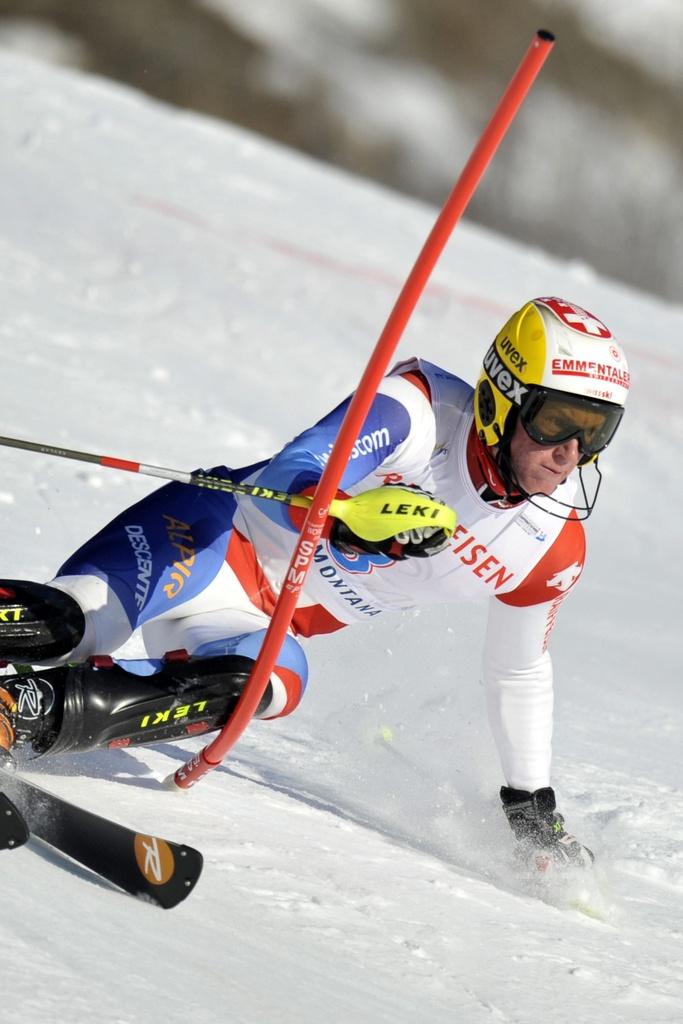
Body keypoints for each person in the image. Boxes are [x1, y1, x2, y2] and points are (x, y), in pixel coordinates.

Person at [0, 296, 629, 869]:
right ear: (501, 399)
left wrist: (528, 805)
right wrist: (342, 522)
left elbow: (518, 670)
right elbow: (298, 466)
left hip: (256, 624)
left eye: (595, 430)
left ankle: (18, 716)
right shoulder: (420, 410)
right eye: (555, 422)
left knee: (269, 686)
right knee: (73, 624)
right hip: (213, 534)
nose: (570, 452)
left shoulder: (551, 544)